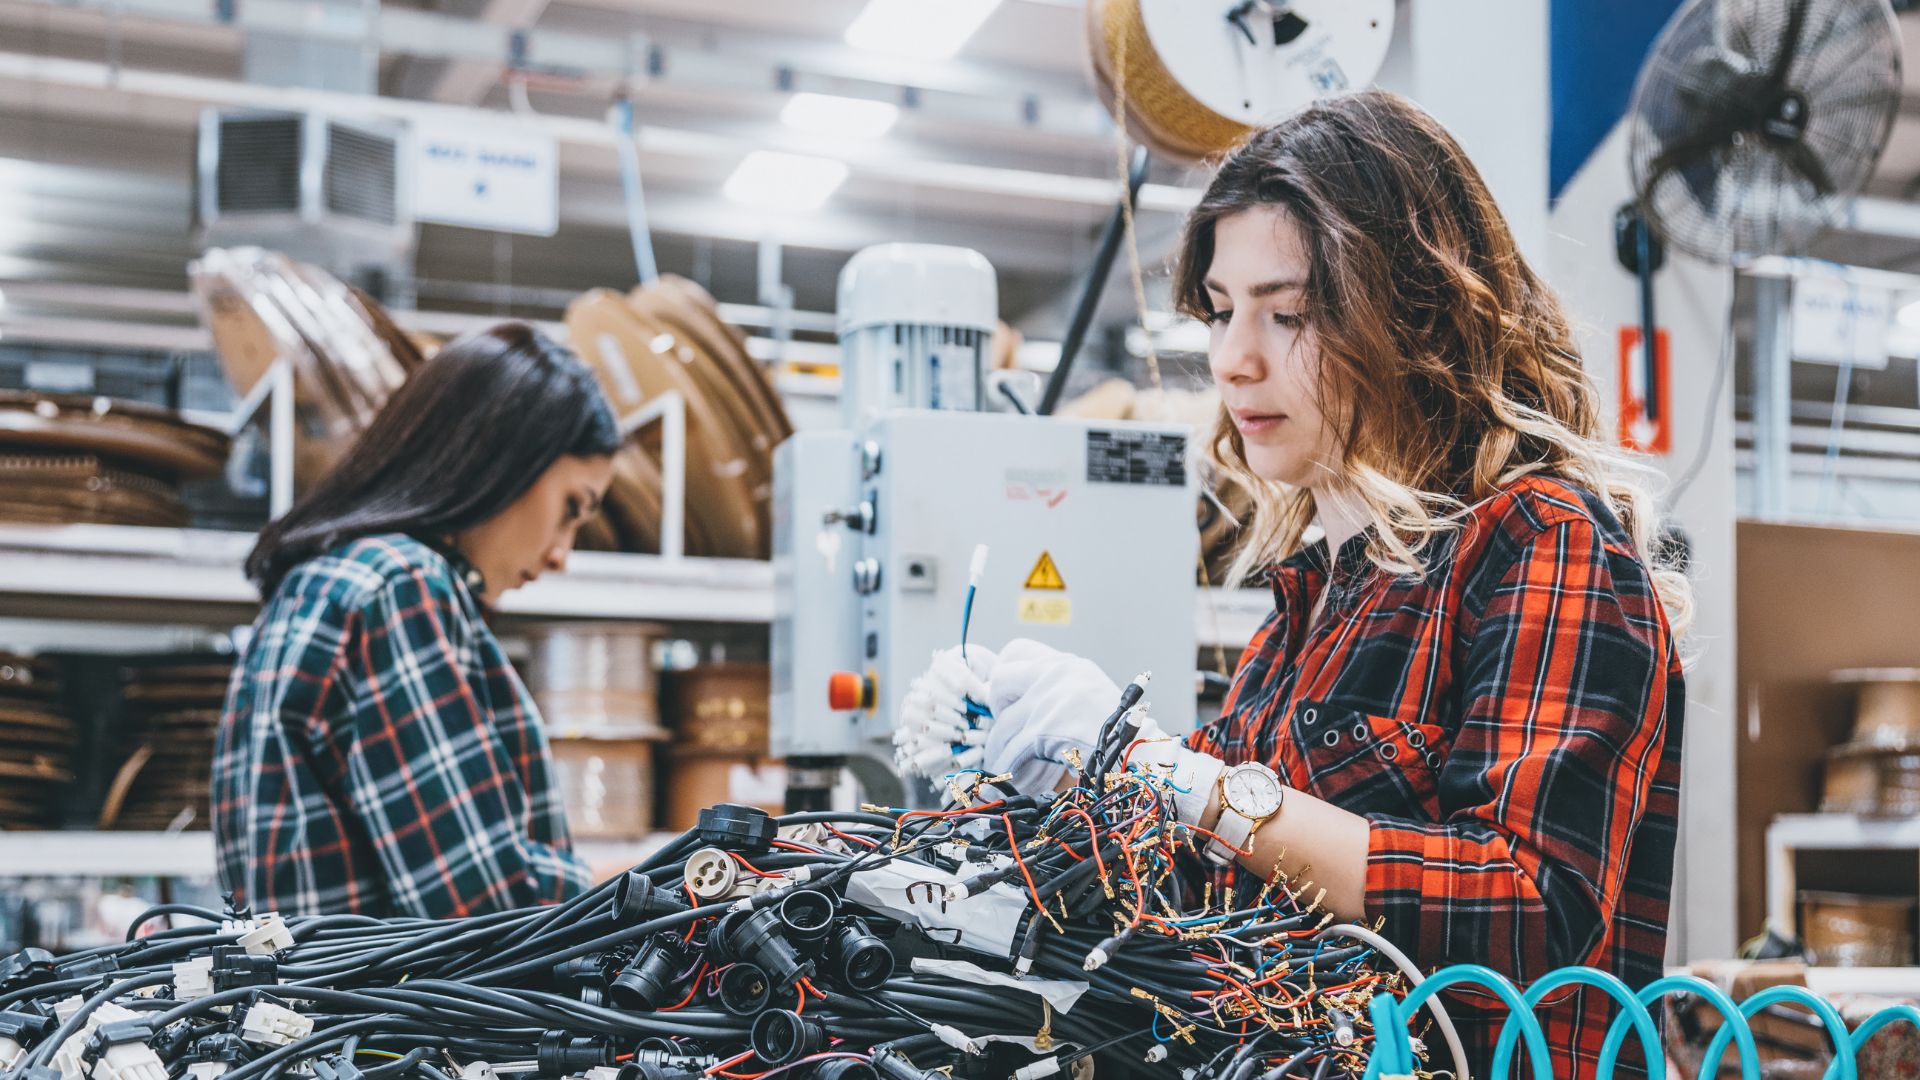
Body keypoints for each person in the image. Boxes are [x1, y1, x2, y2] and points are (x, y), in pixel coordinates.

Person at [909, 90, 1686, 1079]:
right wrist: (1073, 783)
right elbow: (1219, 902)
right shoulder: (1316, 598)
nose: (1234, 360)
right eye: (1225, 312)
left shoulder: (1542, 547)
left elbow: (1529, 909)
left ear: (1415, 320)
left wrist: (1165, 770)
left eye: (1288, 315)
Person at [212, 324, 621, 919]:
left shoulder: (331, 577)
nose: (562, 552)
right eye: (571, 508)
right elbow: (487, 911)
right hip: (392, 1012)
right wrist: (677, 879)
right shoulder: (400, 586)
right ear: (502, 460)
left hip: (327, 1006)